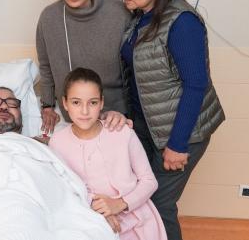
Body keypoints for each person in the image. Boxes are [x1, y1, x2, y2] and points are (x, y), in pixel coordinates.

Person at [119, 0, 225, 240]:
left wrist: (178, 145)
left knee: (159, 205)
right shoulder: (140, 19)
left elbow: (195, 85)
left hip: (181, 133)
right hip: (149, 129)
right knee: (141, 199)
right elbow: (138, 76)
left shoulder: (182, 22)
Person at [49, 68, 167, 240]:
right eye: (76, 102)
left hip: (137, 217)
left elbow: (149, 181)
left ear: (102, 103)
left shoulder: (122, 132)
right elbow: (65, 188)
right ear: (65, 103)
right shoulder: (57, 142)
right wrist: (99, 209)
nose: (84, 111)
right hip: (92, 219)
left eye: (93, 102)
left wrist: (120, 204)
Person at [36, 0, 131, 135]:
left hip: (116, 117)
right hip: (75, 118)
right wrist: (47, 105)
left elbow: (134, 71)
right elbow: (46, 66)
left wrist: (127, 114)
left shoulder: (120, 13)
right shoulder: (49, 18)